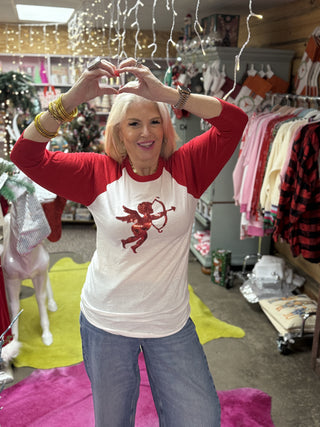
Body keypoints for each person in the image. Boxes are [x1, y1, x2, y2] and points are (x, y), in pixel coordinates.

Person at [11, 57, 248, 427]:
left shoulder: (187, 168)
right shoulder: (97, 172)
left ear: (166, 128)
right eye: (134, 123)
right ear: (119, 133)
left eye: (155, 121)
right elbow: (24, 155)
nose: (146, 133)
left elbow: (235, 122)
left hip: (169, 323)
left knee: (200, 418)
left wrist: (170, 95)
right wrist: (72, 99)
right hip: (106, 321)